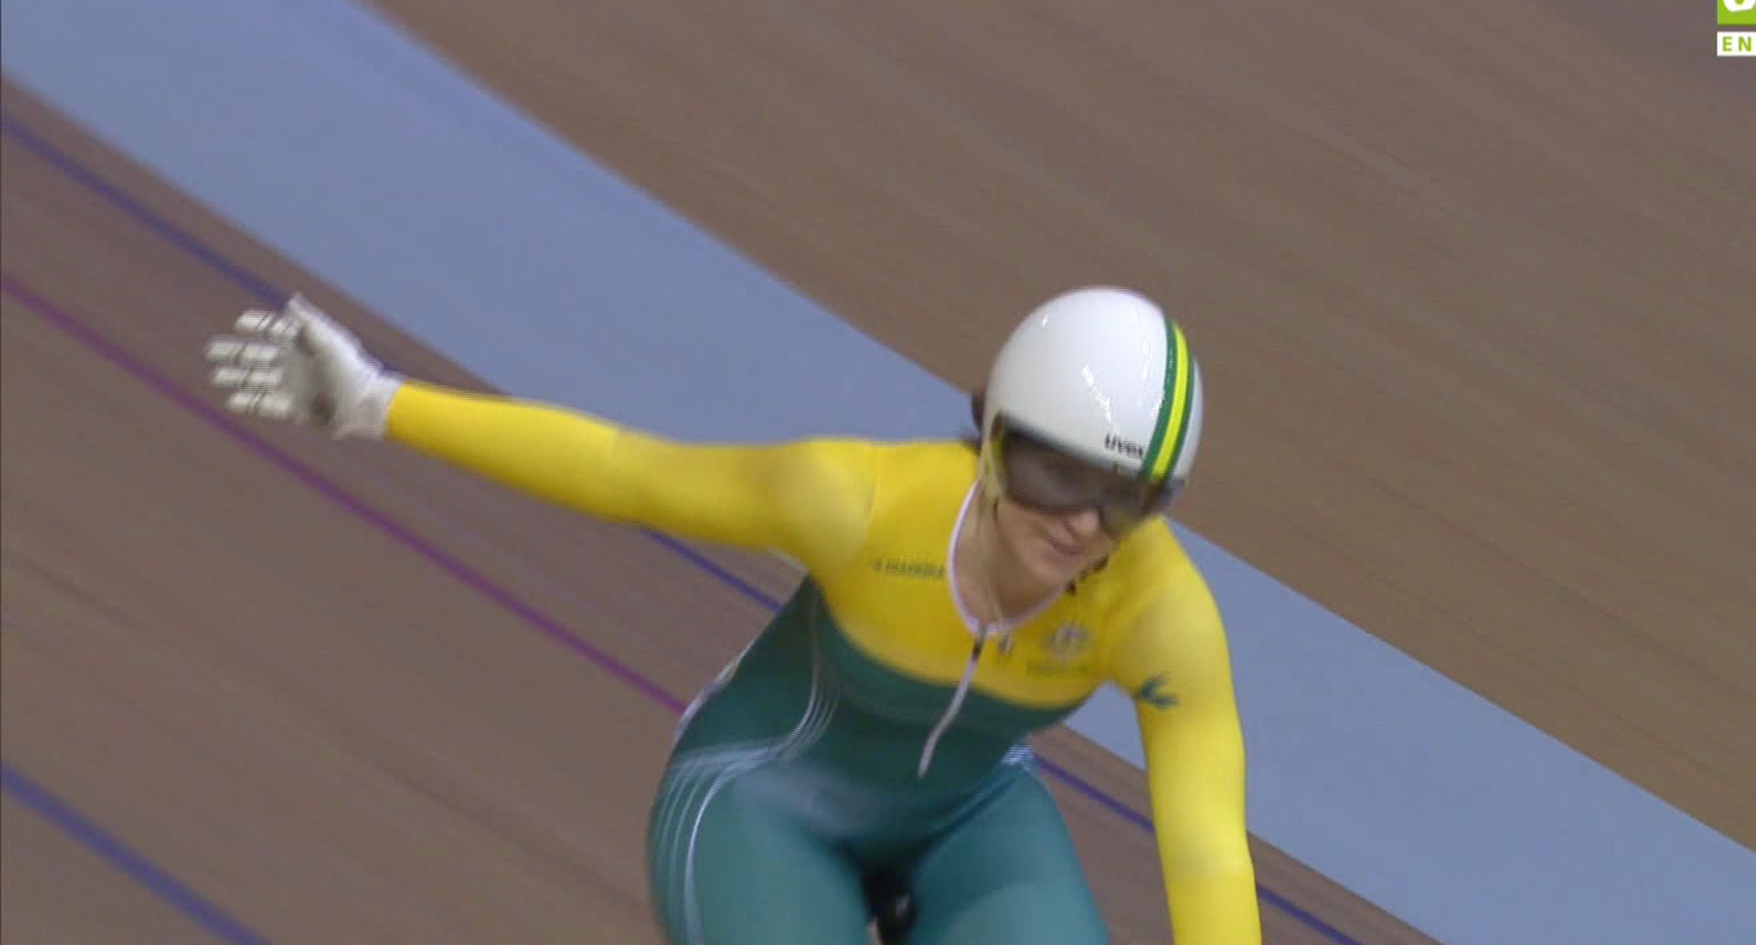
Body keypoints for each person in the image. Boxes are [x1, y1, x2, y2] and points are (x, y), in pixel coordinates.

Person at [205, 285, 1261, 945]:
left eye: (1126, 499)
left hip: (971, 817)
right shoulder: (852, 504)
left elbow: (1208, 854)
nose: (1082, 523)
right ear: (990, 441)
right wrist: (380, 403)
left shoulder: (1161, 612)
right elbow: (629, 473)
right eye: (1054, 474)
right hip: (763, 804)